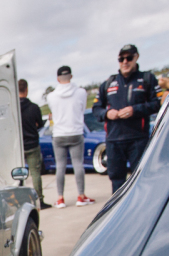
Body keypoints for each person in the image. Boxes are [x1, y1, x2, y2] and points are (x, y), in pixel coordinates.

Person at [92, 44, 161, 193]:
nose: (125, 62)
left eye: (129, 58)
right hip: (114, 140)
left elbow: (157, 104)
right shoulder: (108, 83)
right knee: (117, 182)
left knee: (142, 179)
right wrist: (106, 114)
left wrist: (134, 110)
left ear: (136, 58)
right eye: (121, 59)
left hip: (138, 139)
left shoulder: (146, 79)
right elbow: (96, 109)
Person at [44, 65, 94, 208]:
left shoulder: (51, 96)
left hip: (59, 133)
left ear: (58, 79)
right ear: (71, 77)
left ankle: (60, 198)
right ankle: (81, 196)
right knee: (78, 164)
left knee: (60, 166)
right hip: (76, 132)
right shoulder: (81, 92)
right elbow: (82, 109)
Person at [18, 79, 48, 208]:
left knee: (18, 175)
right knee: (35, 173)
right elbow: (40, 125)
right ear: (27, 89)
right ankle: (39, 200)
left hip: (18, 146)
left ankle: (19, 202)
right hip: (32, 144)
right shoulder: (34, 107)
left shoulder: (13, 107)